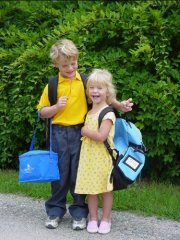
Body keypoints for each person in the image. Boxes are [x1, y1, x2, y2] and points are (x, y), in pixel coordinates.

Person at [37, 39, 133, 230]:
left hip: (80, 133)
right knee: (60, 174)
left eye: (74, 63)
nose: (71, 68)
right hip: (58, 133)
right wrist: (56, 107)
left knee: (78, 174)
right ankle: (55, 211)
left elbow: (104, 95)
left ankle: (79, 213)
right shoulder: (53, 84)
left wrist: (119, 105)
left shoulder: (85, 81)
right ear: (57, 64)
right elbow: (41, 112)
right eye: (66, 65)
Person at [75, 69, 118, 234]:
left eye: (99, 88)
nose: (95, 91)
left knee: (106, 190)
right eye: (92, 87)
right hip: (89, 158)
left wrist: (84, 131)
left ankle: (106, 219)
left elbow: (101, 136)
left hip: (102, 158)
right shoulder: (90, 111)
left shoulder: (107, 112)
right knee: (91, 190)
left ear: (107, 91)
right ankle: (93, 218)